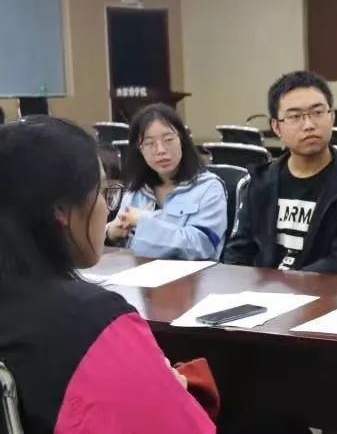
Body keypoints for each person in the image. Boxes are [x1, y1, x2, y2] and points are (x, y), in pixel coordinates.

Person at [0, 116, 214, 433]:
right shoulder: (90, 322)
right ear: (61, 210)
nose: (106, 207)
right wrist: (159, 392)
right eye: (102, 192)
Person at [223, 71, 337, 274]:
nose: (309, 125)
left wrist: (286, 285)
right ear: (277, 127)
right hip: (263, 289)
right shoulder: (260, 182)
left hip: (325, 290)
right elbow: (238, 251)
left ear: (332, 116)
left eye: (318, 112)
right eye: (295, 116)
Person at [106, 104, 227, 260]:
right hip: (139, 271)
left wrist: (144, 222)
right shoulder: (136, 190)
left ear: (182, 140)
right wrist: (110, 233)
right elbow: (122, 239)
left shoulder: (208, 188)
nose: (160, 150)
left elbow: (203, 245)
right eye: (150, 143)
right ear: (140, 149)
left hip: (192, 274)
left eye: (168, 140)